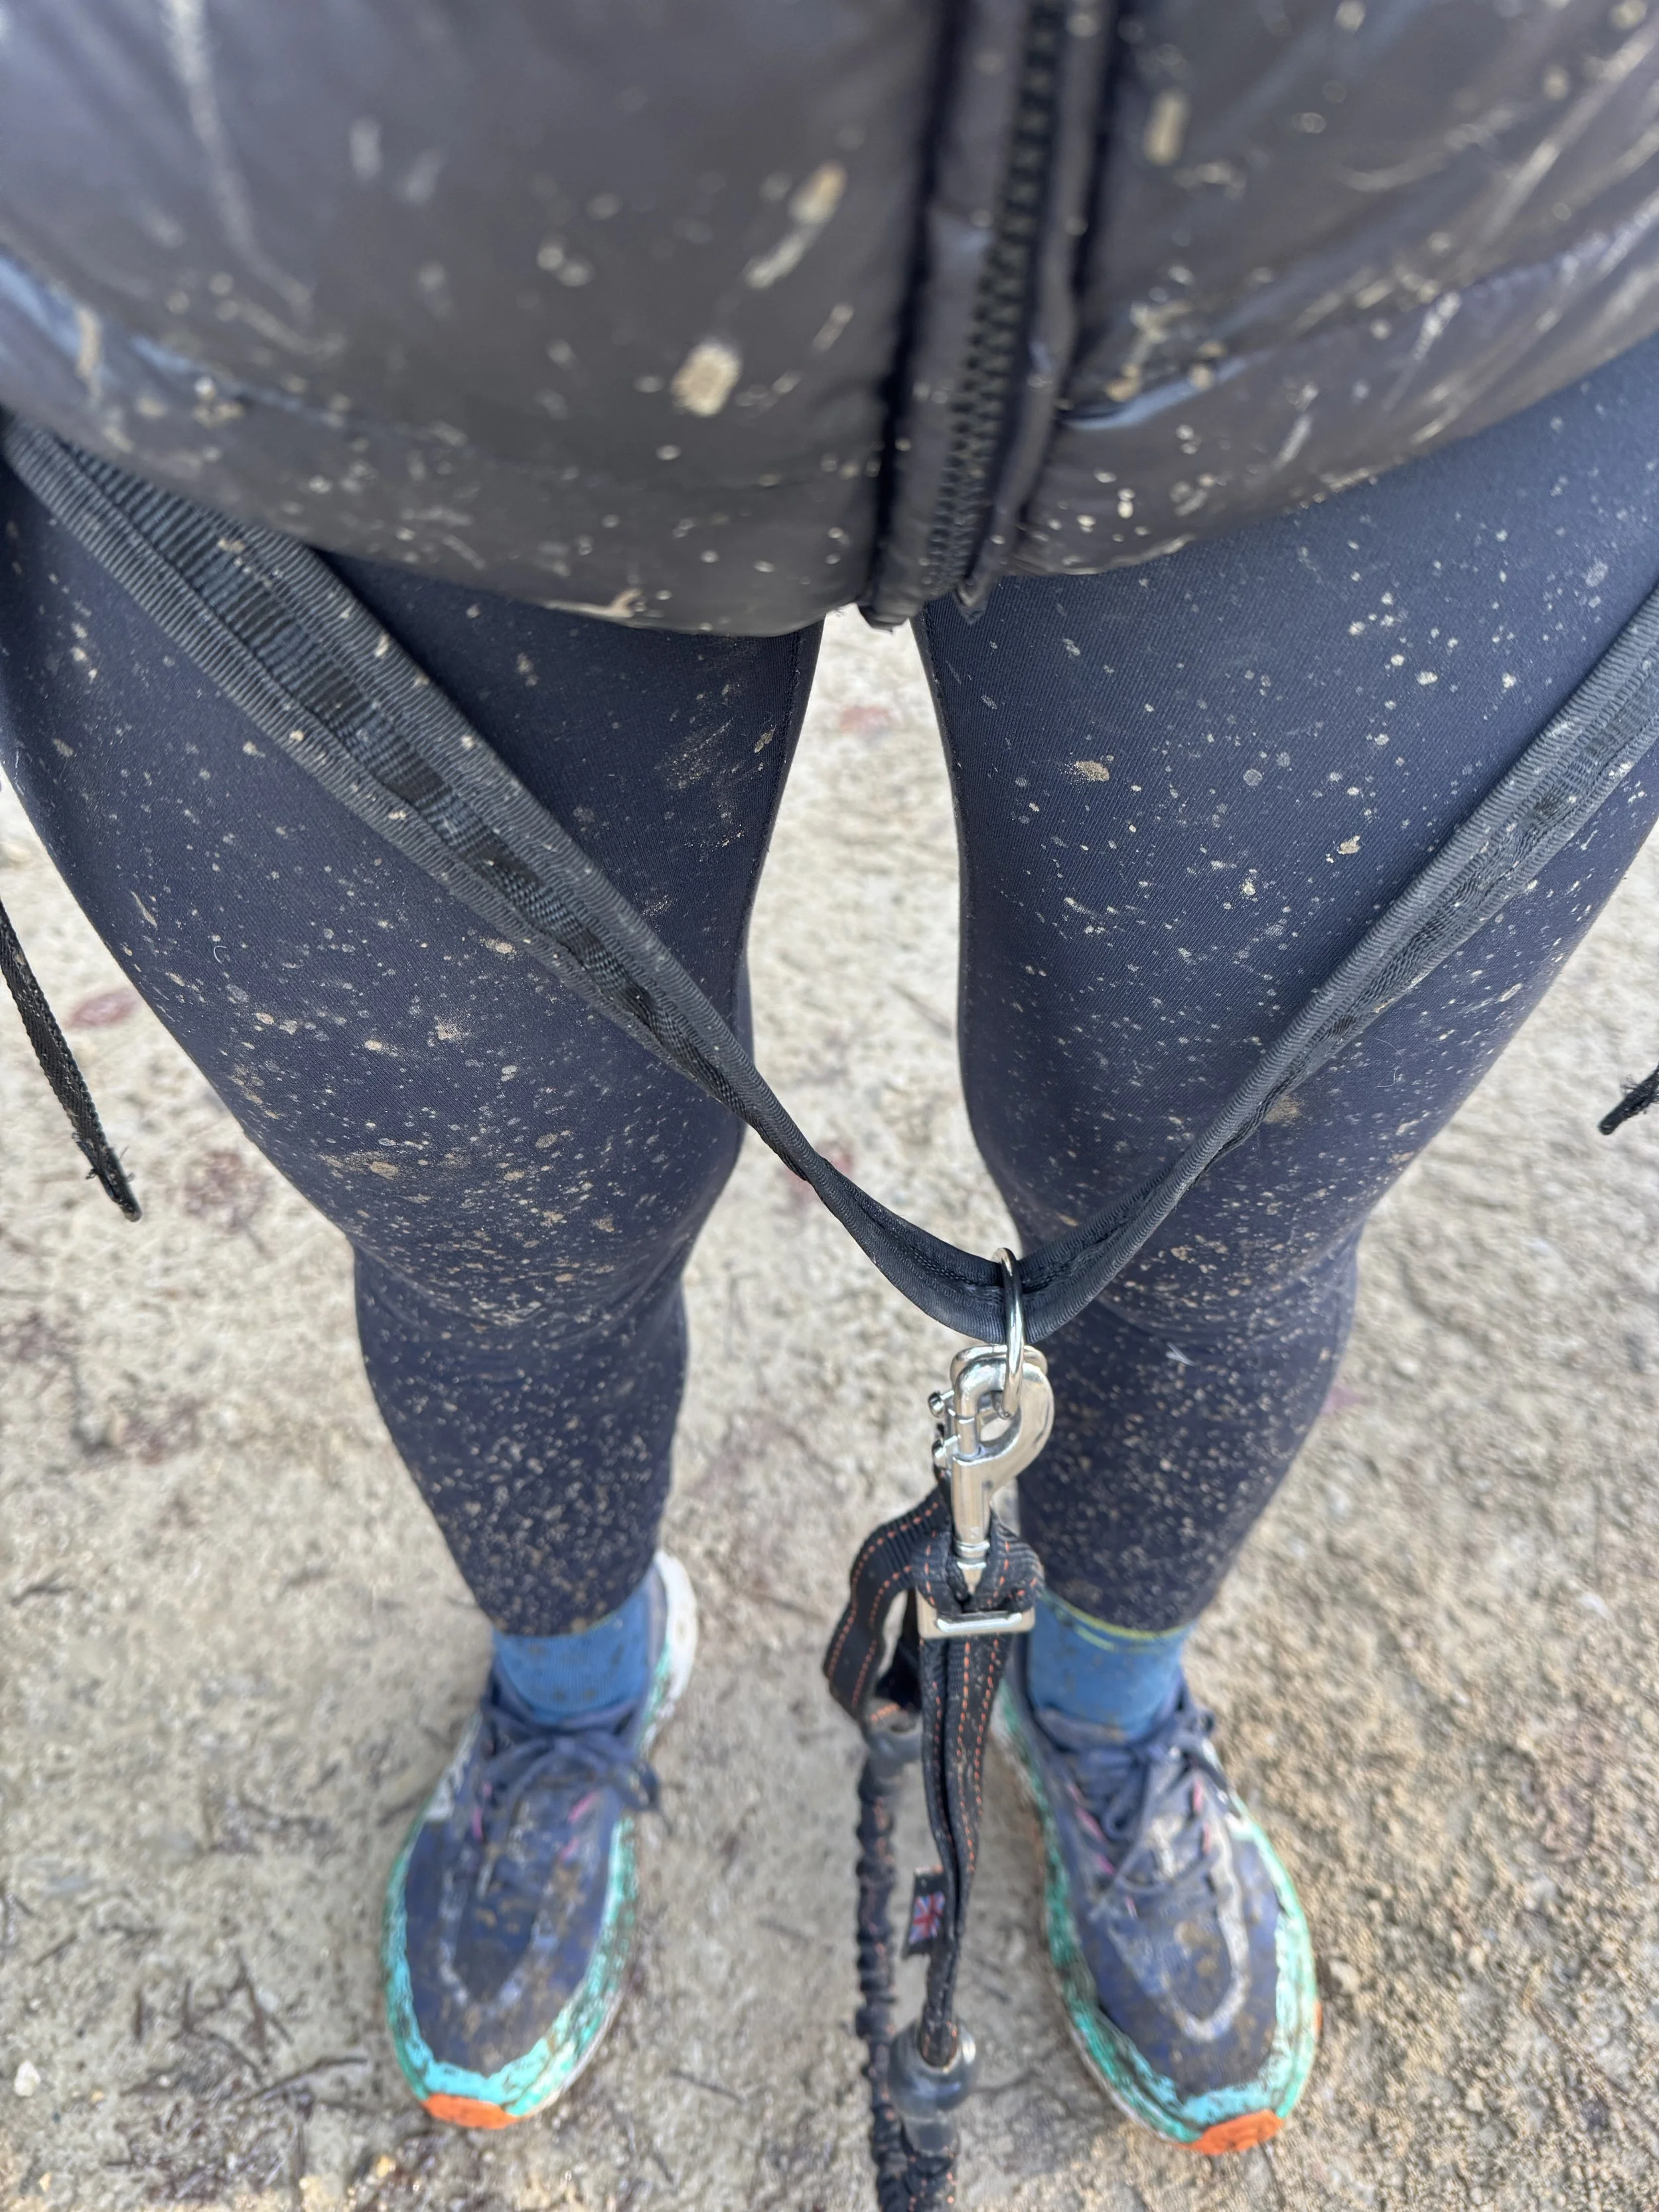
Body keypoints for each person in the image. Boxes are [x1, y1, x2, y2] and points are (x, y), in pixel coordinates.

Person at [2, 0, 1658, 2164]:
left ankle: (1104, 1705)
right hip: (305, 277)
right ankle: (571, 1693)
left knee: (1220, 1200)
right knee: (500, 1210)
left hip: (1424, 253)